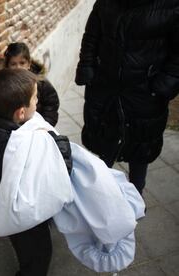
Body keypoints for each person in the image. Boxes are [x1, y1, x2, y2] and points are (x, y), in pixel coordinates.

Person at [75, 0, 179, 195]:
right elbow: (92, 36)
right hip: (105, 88)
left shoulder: (170, 5)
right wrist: (87, 67)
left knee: (140, 147)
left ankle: (135, 200)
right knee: (103, 144)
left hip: (145, 93)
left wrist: (166, 83)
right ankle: (99, 196)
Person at [0, 68, 65, 276]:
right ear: (21, 113)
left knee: (24, 249)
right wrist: (54, 142)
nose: (38, 102)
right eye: (35, 99)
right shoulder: (20, 142)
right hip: (20, 211)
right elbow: (54, 170)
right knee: (39, 253)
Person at [4, 42, 60, 126]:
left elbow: (51, 105)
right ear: (8, 66)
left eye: (22, 63)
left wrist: (44, 126)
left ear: (29, 64)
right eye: (13, 64)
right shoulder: (4, 85)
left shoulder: (41, 83)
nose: (18, 67)